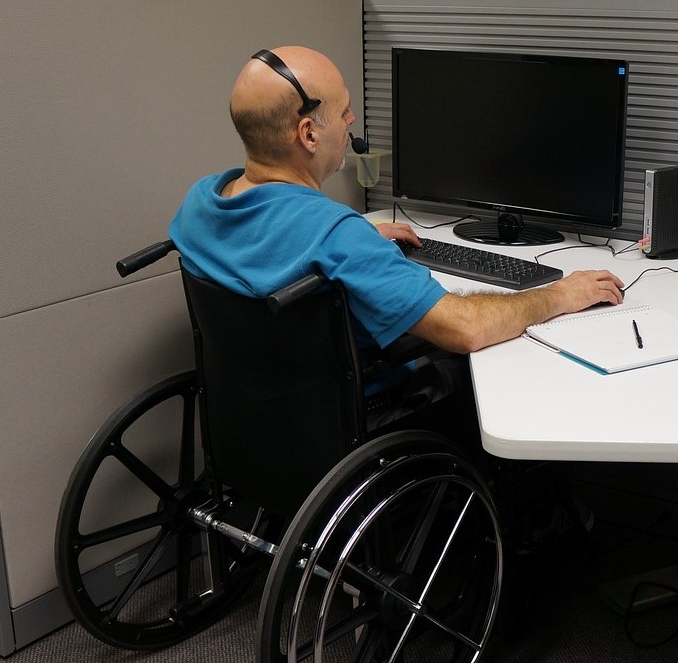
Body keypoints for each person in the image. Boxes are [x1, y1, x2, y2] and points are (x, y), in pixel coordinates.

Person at [169, 45, 624, 427]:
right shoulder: (336, 236)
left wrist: (356, 235)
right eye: (343, 109)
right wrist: (561, 294)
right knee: (499, 374)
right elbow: (466, 330)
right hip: (361, 419)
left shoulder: (201, 202)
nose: (351, 120)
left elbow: (271, 241)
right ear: (308, 133)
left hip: (260, 419)